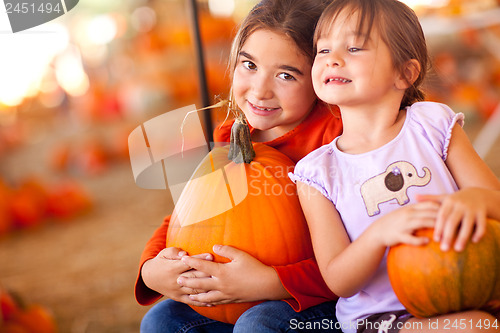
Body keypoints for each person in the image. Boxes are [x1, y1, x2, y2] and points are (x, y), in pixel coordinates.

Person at [289, 0, 500, 332]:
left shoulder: (431, 125)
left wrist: (474, 199)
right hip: (382, 321)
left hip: (470, 289)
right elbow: (338, 280)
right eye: (323, 49)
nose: (332, 58)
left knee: (480, 321)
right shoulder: (317, 172)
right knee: (479, 327)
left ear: (404, 73)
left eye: (354, 47)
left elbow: (495, 201)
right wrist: (379, 235)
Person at [137, 0, 344, 332]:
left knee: (256, 324)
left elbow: (356, 258)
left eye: (286, 75)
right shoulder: (233, 138)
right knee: (163, 321)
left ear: (320, 79)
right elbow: (188, 214)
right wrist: (152, 268)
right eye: (249, 65)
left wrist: (269, 282)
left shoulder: (334, 141)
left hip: (324, 305)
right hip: (235, 299)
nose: (260, 90)